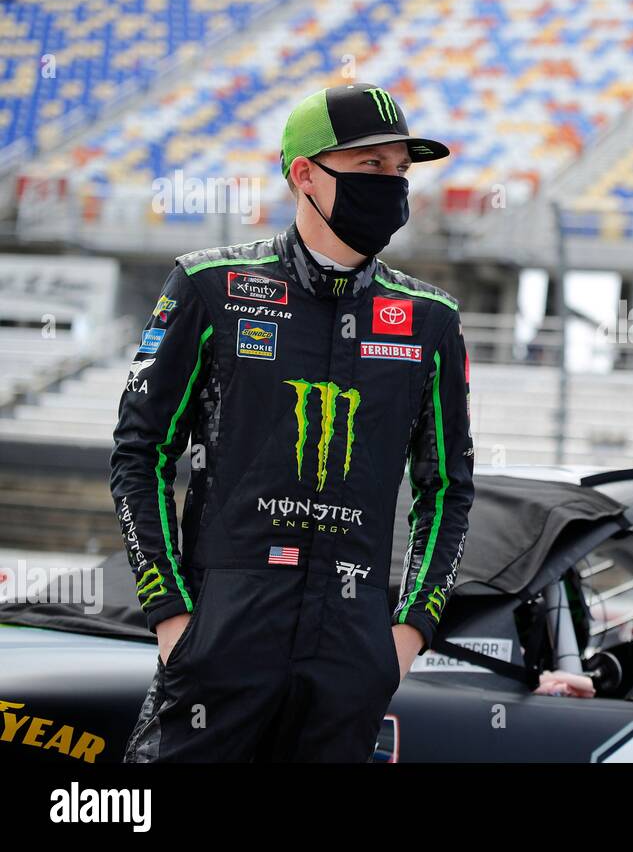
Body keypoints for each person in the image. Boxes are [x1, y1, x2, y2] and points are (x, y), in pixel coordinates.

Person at [111, 82, 475, 762]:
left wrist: (409, 632)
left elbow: (448, 486)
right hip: (222, 636)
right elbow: (140, 453)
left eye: (401, 169)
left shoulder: (431, 320)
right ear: (303, 174)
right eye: (371, 167)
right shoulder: (208, 286)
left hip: (351, 652)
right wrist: (172, 616)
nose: (391, 185)